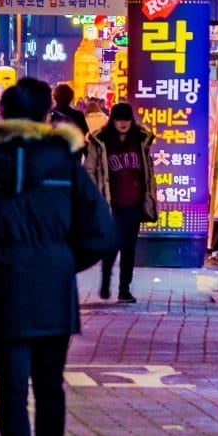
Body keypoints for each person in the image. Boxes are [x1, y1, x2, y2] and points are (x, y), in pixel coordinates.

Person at [0, 78, 116, 436]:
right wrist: (63, 261)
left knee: (11, 386)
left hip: (3, 286)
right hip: (55, 288)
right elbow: (101, 231)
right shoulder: (64, 165)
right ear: (47, 115)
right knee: (50, 385)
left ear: (2, 113)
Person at [82, 102, 158, 304]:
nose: (123, 124)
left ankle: (124, 289)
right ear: (112, 120)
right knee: (111, 244)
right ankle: (107, 280)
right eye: (119, 120)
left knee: (129, 246)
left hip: (134, 201)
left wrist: (149, 196)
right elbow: (89, 169)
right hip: (109, 201)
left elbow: (148, 169)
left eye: (126, 120)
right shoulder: (100, 141)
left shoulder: (140, 140)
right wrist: (93, 197)